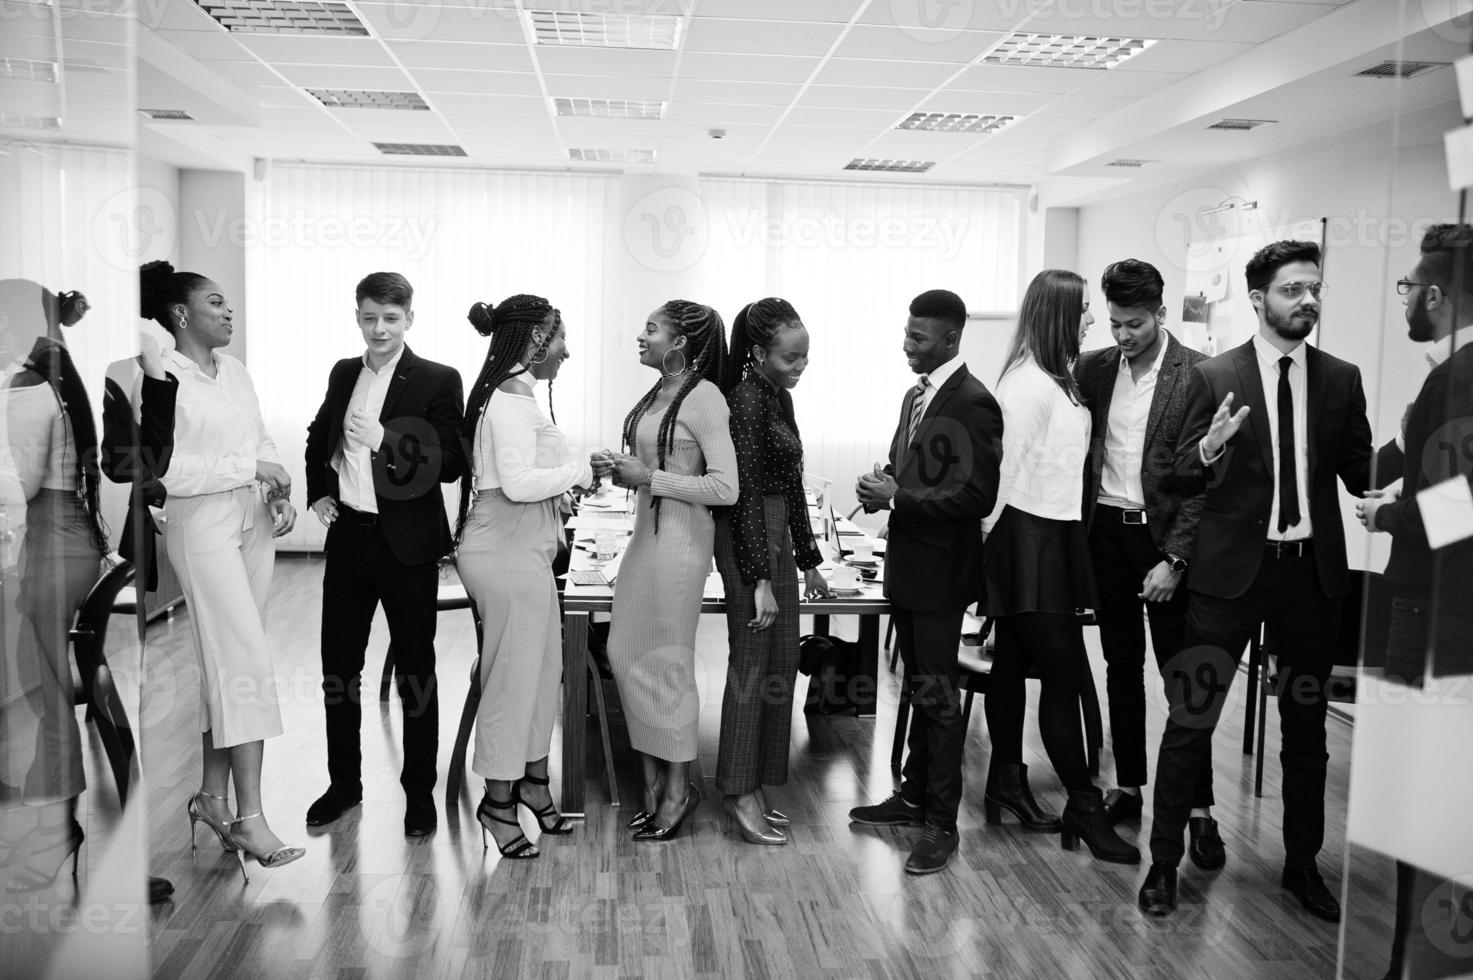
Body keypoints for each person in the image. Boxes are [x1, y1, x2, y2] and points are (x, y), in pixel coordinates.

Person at [1139, 240, 1375, 921]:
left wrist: (1394, 484)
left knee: (1305, 733)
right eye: (1291, 289)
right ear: (1256, 299)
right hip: (1227, 580)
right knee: (1190, 720)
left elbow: (1357, 474)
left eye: (1313, 287)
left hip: (1311, 579)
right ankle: (1162, 865)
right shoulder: (1213, 376)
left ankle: (1301, 866)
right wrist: (1210, 446)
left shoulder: (1340, 378)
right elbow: (1174, 474)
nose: (1307, 299)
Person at [139, 260, 304, 880]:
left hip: (251, 519)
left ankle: (211, 800)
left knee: (228, 661)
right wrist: (249, 470)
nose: (228, 312)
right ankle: (251, 818)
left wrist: (276, 485)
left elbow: (259, 439)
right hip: (197, 521)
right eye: (216, 303)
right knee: (246, 663)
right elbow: (166, 473)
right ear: (181, 315)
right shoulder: (160, 376)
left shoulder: (233, 371)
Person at [979, 270, 1139, 867]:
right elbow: (1002, 472)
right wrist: (993, 555)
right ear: (1057, 316)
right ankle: (1083, 802)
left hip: (1053, 532)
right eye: (1084, 312)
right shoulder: (1027, 385)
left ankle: (1007, 779)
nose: (1092, 322)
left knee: (1016, 665)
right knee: (1065, 674)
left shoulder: (1056, 378)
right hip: (1026, 536)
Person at [847, 288, 1003, 876]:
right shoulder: (917, 395)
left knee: (938, 699)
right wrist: (885, 481)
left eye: (917, 337)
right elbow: (915, 471)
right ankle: (912, 797)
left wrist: (902, 498)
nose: (906, 345)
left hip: (940, 574)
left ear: (950, 340)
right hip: (909, 566)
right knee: (918, 688)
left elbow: (977, 496)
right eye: (906, 333)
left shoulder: (974, 402)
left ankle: (941, 823)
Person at [303, 272, 464, 838]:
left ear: (409, 319)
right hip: (349, 537)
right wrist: (317, 489)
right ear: (357, 316)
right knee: (338, 671)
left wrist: (384, 439)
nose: (379, 329)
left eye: (390, 319)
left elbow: (450, 462)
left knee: (415, 673)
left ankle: (418, 792)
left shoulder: (440, 379)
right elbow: (319, 432)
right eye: (370, 317)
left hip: (409, 546)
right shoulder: (344, 372)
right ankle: (343, 784)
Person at [1356, 223, 1473, 977]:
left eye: (1405, 287)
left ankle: (1415, 962)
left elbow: (1455, 510)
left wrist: (1385, 514)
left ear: (1433, 293)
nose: (1402, 300)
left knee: (1420, 802)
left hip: (1436, 615)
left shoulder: (1453, 378)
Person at [1074, 260, 1217, 861]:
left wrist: (1177, 559)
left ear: (1160, 313)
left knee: (1182, 678)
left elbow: (1205, 483)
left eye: (1134, 323)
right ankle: (1128, 785)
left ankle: (1201, 810)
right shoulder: (1094, 369)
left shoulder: (1198, 375)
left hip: (1162, 545)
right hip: (1106, 532)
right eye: (1114, 323)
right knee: (1120, 666)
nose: (1123, 335)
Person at [593, 300, 738, 842]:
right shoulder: (658, 392)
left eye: (650, 329)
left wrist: (650, 478)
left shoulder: (704, 397)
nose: (641, 336)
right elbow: (649, 472)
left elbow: (726, 487)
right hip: (645, 540)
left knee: (669, 664)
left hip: (681, 545)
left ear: (678, 342)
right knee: (624, 653)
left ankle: (676, 789)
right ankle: (653, 781)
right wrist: (619, 470)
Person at [456, 294, 590, 859]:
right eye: (558, 338)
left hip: (523, 549)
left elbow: (528, 477)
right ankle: (498, 801)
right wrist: (580, 469)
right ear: (535, 339)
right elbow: (513, 483)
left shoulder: (517, 395)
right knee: (514, 679)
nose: (565, 350)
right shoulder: (510, 401)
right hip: (504, 548)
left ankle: (534, 783)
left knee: (542, 671)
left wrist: (564, 481)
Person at [0, 282, 111, 894]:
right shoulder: (54, 375)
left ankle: (54, 830)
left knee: (44, 691)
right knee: (42, 689)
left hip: (51, 544)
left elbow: (17, 488)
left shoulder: (27, 385)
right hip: (70, 539)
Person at [713, 298, 831, 846]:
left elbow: (792, 480)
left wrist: (808, 561)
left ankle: (758, 781)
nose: (801, 366)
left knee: (783, 661)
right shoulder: (744, 402)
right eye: (791, 358)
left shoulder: (779, 398)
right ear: (759, 353)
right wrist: (760, 578)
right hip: (749, 538)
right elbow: (744, 499)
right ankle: (738, 790)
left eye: (805, 356)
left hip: (778, 534)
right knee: (753, 664)